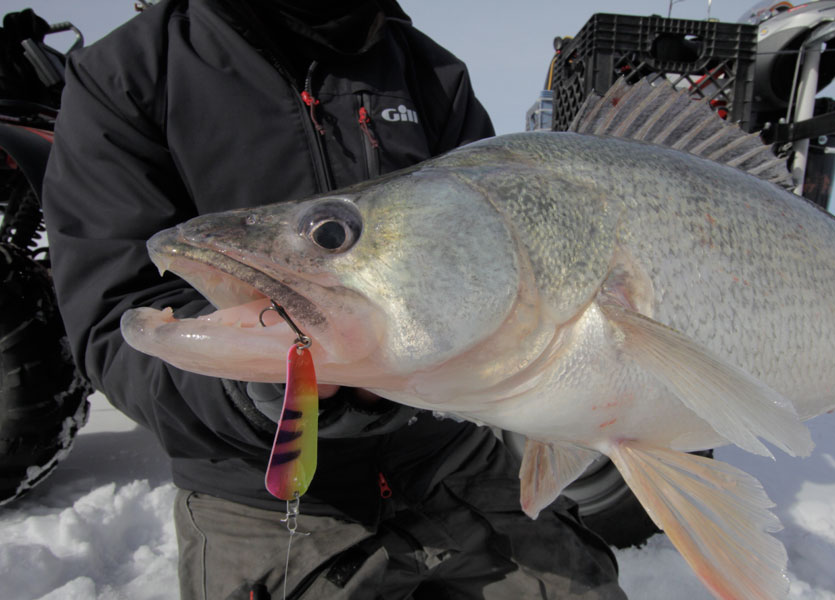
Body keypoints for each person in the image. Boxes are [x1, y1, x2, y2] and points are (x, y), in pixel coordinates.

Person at [43, 1, 627, 598]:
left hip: (449, 457)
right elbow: (119, 320)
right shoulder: (129, 72)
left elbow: (506, 261)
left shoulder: (428, 69)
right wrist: (262, 393)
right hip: (266, 496)